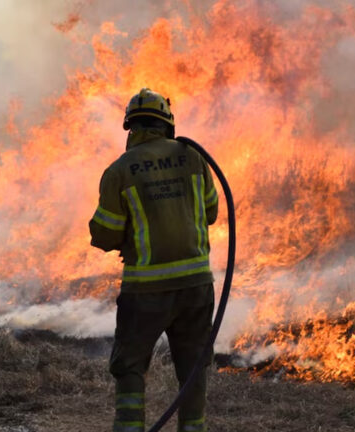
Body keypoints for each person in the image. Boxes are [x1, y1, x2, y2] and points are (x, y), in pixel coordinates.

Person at [89, 88, 218, 432]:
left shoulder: (120, 170)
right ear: (167, 124)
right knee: (193, 366)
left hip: (145, 291)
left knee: (130, 365)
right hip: (196, 286)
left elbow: (105, 234)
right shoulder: (194, 158)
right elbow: (211, 212)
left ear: (131, 127)